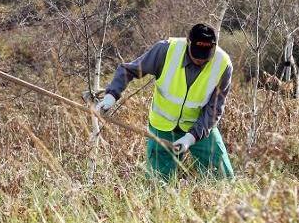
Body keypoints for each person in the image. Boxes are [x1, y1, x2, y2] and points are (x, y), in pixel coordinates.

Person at [95, 23, 234, 179]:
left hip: (200, 127)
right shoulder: (166, 50)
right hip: (163, 127)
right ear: (188, 42)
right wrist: (111, 96)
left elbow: (214, 109)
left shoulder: (223, 65)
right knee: (158, 185)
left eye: (205, 56)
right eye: (196, 55)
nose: (200, 60)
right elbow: (129, 70)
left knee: (224, 177)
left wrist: (191, 137)